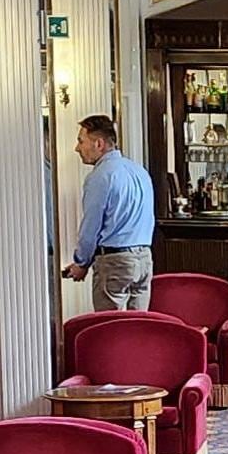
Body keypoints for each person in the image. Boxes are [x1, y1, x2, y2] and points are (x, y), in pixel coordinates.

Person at [65, 114, 156, 311]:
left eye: (81, 141)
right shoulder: (140, 172)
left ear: (99, 144)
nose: (77, 148)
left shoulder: (100, 176)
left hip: (115, 262)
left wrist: (81, 263)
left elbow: (91, 227)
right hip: (144, 259)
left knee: (111, 326)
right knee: (139, 325)